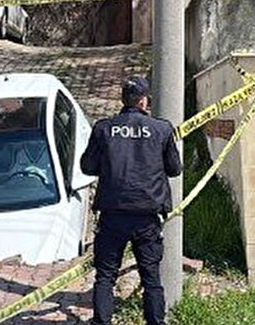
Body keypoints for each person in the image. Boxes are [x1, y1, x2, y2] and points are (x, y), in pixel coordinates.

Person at [81, 77, 183, 325]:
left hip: (112, 215)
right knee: (151, 278)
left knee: (105, 276)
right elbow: (175, 169)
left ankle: (102, 322)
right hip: (146, 217)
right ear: (143, 101)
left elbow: (87, 166)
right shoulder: (162, 129)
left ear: (123, 100)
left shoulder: (104, 128)